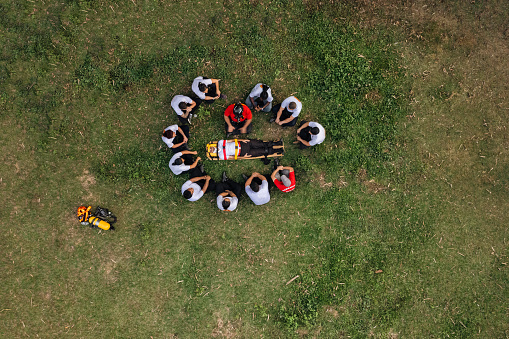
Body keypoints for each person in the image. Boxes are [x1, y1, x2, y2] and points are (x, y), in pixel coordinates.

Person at [208, 139, 283, 160]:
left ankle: (276, 143)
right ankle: (278, 150)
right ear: (212, 152)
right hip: (243, 152)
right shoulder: (221, 155)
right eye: (210, 150)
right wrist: (243, 157)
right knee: (262, 151)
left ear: (212, 146)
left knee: (261, 144)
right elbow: (233, 157)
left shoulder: (220, 143)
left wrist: (243, 140)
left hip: (243, 144)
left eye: (210, 148)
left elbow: (232, 140)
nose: (211, 149)